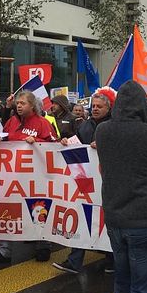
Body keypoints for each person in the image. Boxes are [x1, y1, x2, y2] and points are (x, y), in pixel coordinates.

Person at [96, 80, 147, 293]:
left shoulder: (102, 130)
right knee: (141, 288)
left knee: (122, 280)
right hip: (142, 219)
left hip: (114, 217)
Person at [0, 91, 57, 263]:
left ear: (32, 106)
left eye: (23, 103)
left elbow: (54, 146)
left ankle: (43, 245)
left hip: (36, 177)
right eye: (17, 103)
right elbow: (4, 140)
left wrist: (39, 141)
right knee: (8, 207)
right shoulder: (11, 122)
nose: (19, 105)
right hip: (13, 176)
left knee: (38, 208)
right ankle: (4, 250)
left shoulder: (42, 123)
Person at [53, 87, 116, 274]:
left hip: (108, 182)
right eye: (93, 106)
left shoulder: (114, 126)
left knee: (106, 220)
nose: (95, 109)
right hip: (86, 180)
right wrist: (66, 143)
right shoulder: (85, 126)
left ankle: (112, 259)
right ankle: (74, 261)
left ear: (109, 108)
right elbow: (76, 144)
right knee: (81, 216)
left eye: (99, 106)